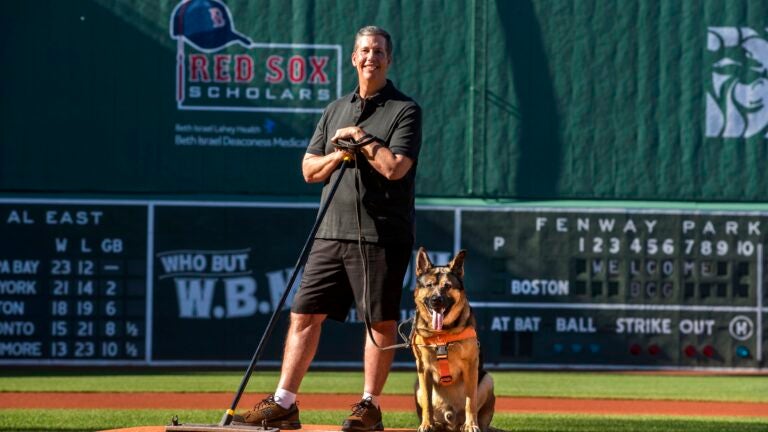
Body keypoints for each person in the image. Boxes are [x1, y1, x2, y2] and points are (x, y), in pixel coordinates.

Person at [233, 26, 421, 432]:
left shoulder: (404, 110)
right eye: (364, 50)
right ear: (353, 58)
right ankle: (284, 403)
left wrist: (362, 139)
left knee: (379, 323)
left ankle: (369, 406)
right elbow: (308, 170)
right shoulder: (335, 109)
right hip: (329, 231)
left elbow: (394, 168)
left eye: (379, 51)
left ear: (389, 59)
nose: (371, 57)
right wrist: (340, 154)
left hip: (382, 234)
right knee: (302, 315)